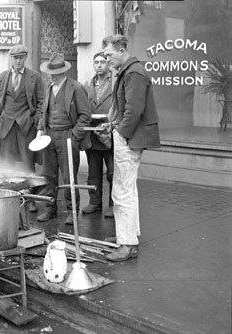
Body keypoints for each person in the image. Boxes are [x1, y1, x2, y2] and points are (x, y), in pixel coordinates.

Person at [101, 34, 160, 262]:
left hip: (129, 139)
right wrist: (113, 124)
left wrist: (120, 133)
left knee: (121, 191)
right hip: (130, 136)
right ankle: (129, 236)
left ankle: (126, 244)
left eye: (109, 55)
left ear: (122, 49)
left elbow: (134, 111)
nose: (107, 61)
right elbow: (126, 107)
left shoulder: (133, 72)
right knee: (129, 189)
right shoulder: (129, 70)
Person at [36, 53, 91, 224]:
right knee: (49, 175)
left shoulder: (76, 88)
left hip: (68, 135)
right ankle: (50, 209)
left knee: (69, 176)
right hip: (49, 135)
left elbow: (85, 116)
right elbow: (44, 111)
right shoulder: (48, 87)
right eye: (50, 73)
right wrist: (40, 129)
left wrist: (74, 136)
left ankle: (72, 211)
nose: (52, 76)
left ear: (63, 72)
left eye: (55, 74)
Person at [0, 44, 44, 212]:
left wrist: (35, 121)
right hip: (6, 126)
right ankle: (9, 198)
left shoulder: (34, 77)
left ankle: (30, 200)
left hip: (25, 127)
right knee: (7, 164)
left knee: (28, 164)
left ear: (25, 58)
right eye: (15, 58)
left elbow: (41, 102)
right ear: (11, 59)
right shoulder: (1, 77)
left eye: (21, 57)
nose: (18, 61)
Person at [82, 52, 114, 218]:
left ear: (108, 64)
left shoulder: (115, 83)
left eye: (102, 62)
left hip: (110, 134)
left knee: (112, 172)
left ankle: (113, 205)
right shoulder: (88, 84)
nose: (99, 65)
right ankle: (94, 202)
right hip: (92, 133)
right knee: (93, 171)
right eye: (96, 62)